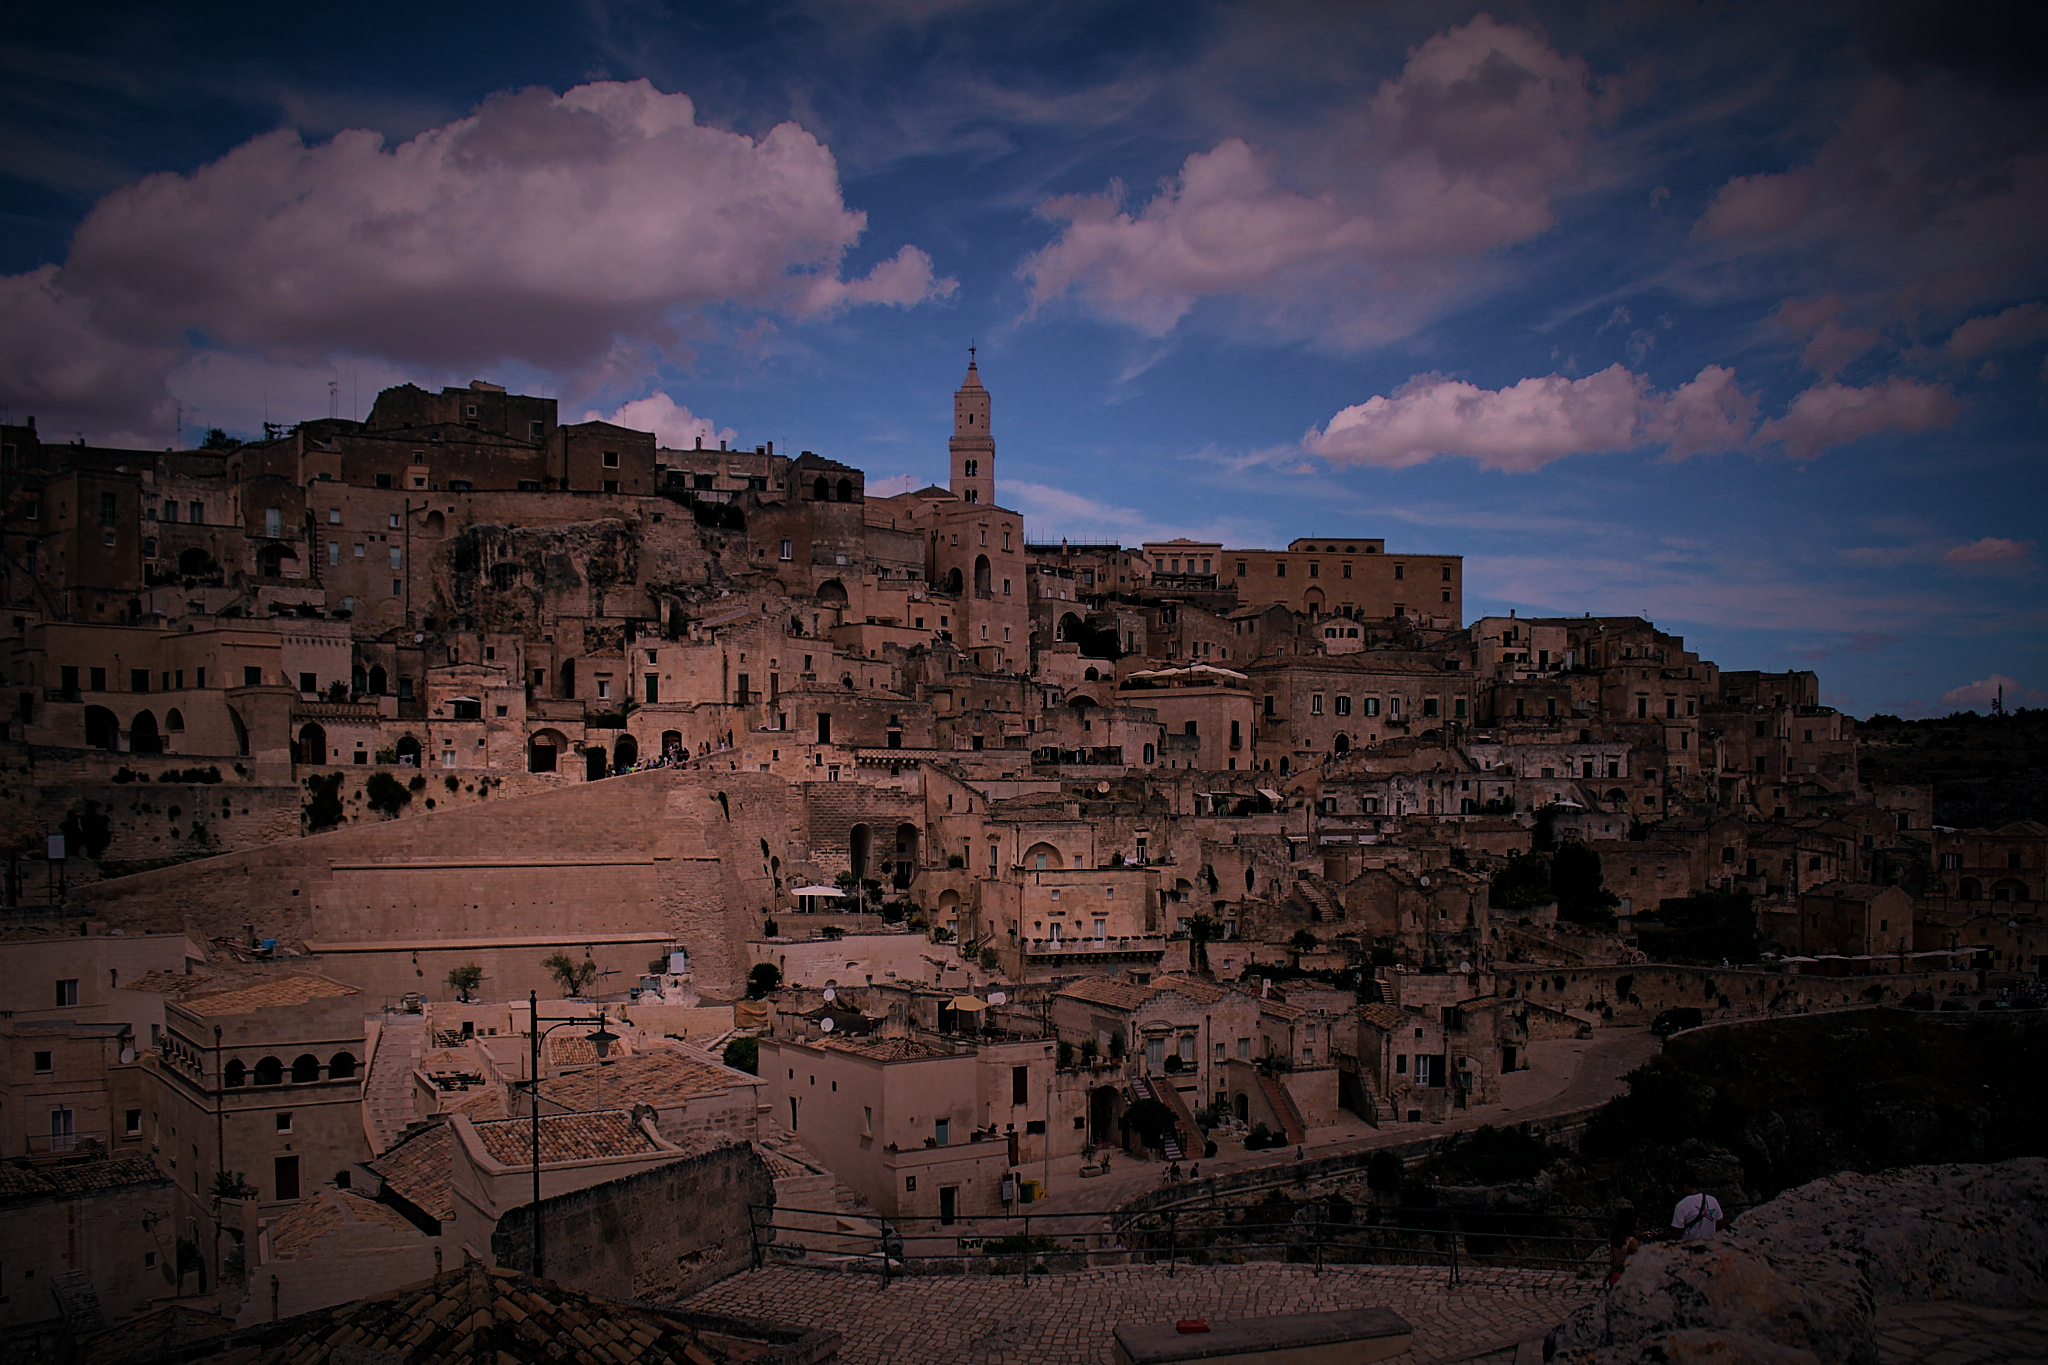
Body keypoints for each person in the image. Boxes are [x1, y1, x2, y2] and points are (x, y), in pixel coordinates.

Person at [1605, 1208, 1640, 1288]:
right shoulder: (1633, 1243)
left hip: (1615, 1276)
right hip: (1627, 1279)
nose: (1638, 1219)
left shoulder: (1615, 1238)